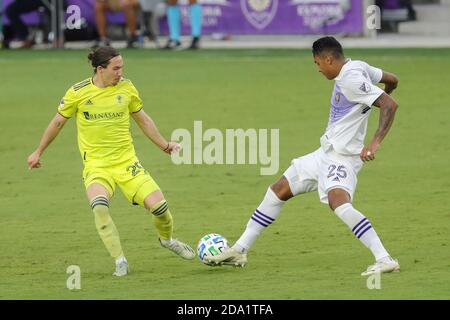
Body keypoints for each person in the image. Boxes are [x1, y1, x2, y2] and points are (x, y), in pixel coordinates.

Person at [206, 37, 401, 276]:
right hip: (325, 154)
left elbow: (390, 104)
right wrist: (370, 102)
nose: (318, 69)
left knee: (338, 203)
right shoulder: (358, 66)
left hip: (343, 157)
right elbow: (392, 80)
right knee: (279, 189)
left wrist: (374, 142)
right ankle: (240, 248)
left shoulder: (350, 78)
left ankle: (384, 258)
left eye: (318, 63)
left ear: (329, 59)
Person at [27, 46, 195, 277]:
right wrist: (38, 151)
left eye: (122, 67)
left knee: (160, 208)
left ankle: (167, 240)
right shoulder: (78, 93)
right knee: (100, 207)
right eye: (116, 68)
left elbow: (143, 120)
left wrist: (165, 145)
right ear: (100, 69)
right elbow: (57, 122)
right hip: (97, 167)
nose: (120, 72)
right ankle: (120, 261)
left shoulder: (127, 88)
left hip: (127, 164)